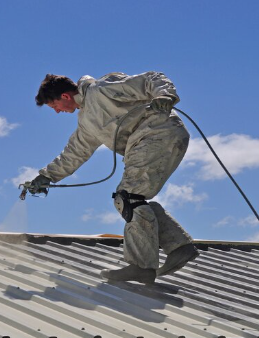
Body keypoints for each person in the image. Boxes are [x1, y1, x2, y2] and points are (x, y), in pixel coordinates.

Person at [28, 71, 199, 284]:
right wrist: (46, 177)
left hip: (156, 132)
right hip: (155, 140)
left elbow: (150, 79)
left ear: (65, 96)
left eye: (54, 106)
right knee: (134, 199)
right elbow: (74, 152)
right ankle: (178, 246)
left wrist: (165, 96)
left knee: (128, 197)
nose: (56, 112)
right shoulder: (86, 122)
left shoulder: (101, 90)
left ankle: (141, 266)